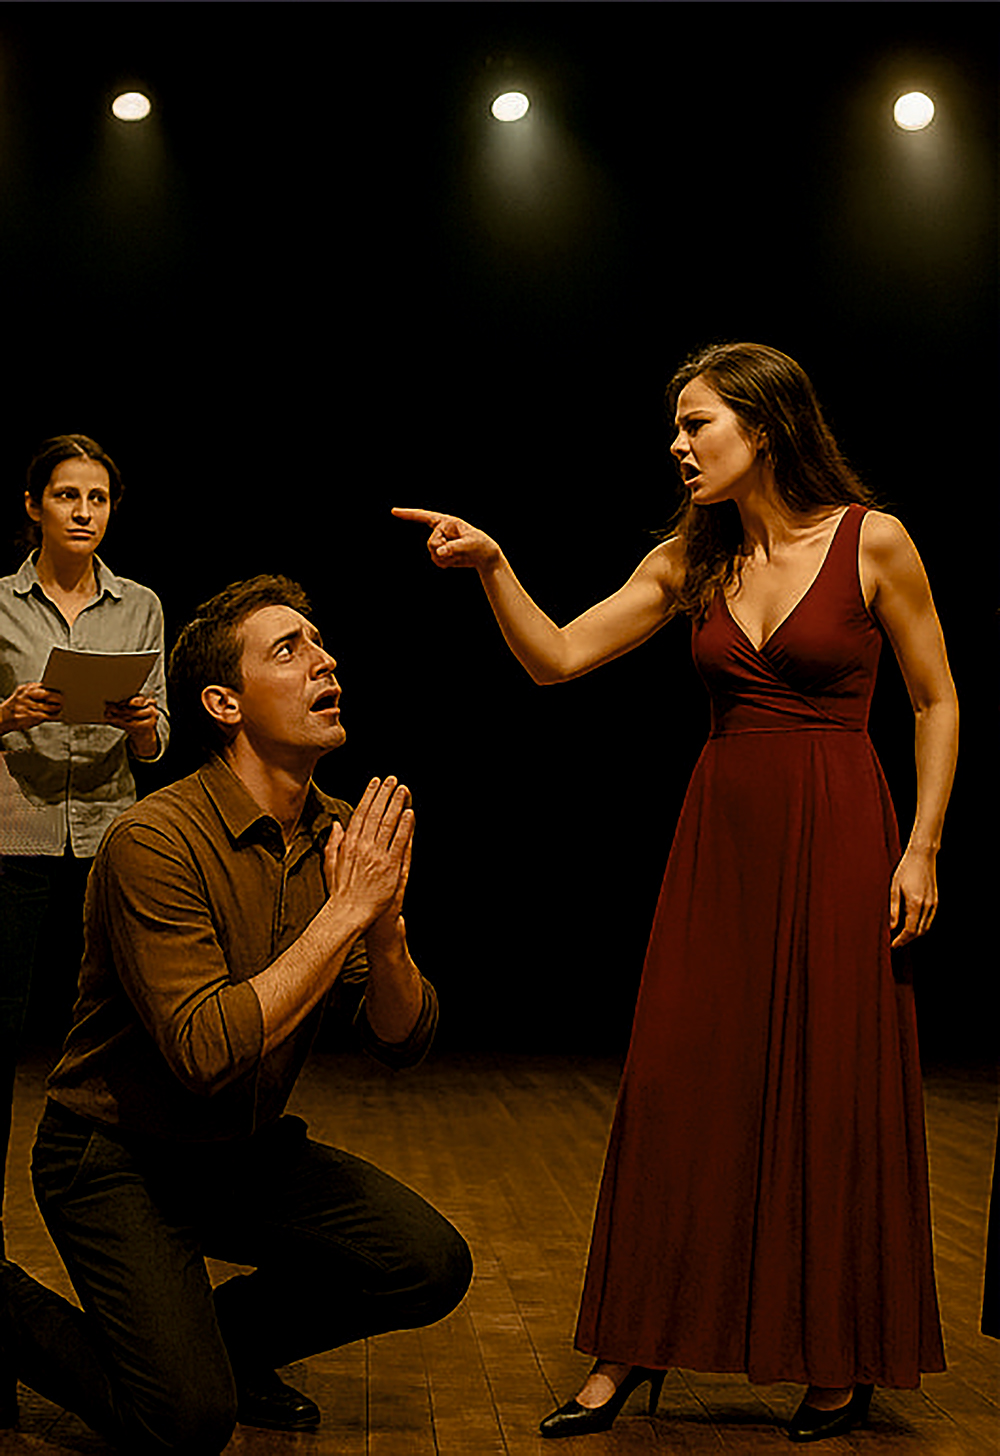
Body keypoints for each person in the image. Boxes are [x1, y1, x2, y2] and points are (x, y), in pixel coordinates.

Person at [393, 341, 958, 1444]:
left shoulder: (873, 540)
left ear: (766, 427)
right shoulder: (687, 560)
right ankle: (630, 1346)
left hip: (843, 830)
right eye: (678, 427)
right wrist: (496, 565)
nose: (679, 445)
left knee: (832, 1087)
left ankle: (837, 1355)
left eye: (698, 424)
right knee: (678, 1086)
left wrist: (923, 846)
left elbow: (936, 700)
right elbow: (557, 658)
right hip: (722, 845)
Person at [0, 573, 472, 1450]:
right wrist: (343, 914)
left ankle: (217, 1351)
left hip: (239, 1152)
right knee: (183, 1424)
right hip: (117, 1160)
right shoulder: (153, 840)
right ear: (224, 703)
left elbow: (401, 1042)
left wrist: (384, 937)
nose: (324, 661)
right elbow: (206, 1049)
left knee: (427, 1263)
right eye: (288, 650)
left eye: (319, 643)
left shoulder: (338, 834)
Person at [0, 433, 167, 1426]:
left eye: (97, 497)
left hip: (106, 837)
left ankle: (142, 1273)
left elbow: (159, 735)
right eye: (66, 495)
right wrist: (7, 713)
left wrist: (144, 726)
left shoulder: (138, 603)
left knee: (119, 1047)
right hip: (16, 839)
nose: (83, 512)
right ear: (34, 505)